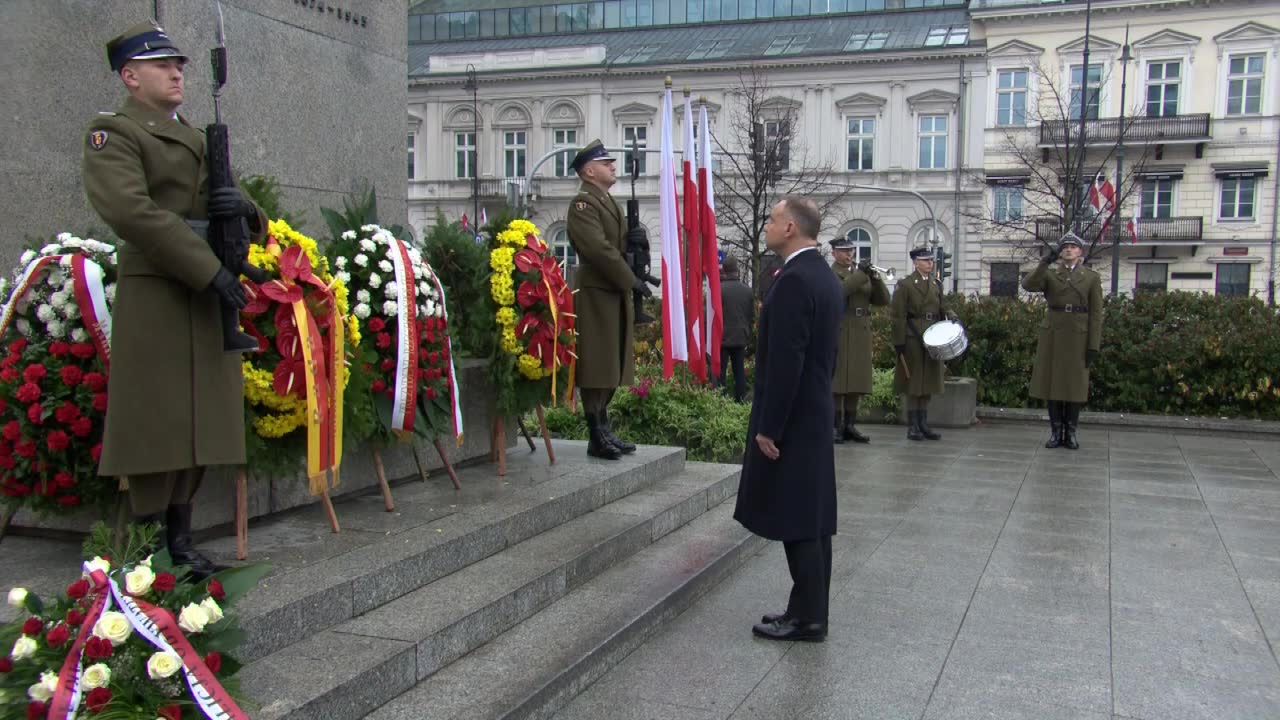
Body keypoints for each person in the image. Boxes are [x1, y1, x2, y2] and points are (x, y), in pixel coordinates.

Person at [82, 21, 267, 578]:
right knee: (155, 426)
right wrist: (208, 272)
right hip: (162, 292)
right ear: (130, 76)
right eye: (163, 65)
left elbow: (229, 198)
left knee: (198, 424)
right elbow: (134, 214)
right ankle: (140, 547)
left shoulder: (193, 133)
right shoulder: (113, 134)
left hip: (204, 295)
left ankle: (181, 542)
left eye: (180, 65)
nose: (177, 72)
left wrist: (245, 210)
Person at [734, 197, 843, 643]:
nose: (768, 226)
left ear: (792, 228)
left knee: (798, 519)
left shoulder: (797, 280)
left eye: (774, 220)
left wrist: (769, 427)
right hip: (813, 410)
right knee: (813, 519)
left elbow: (786, 361)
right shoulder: (823, 276)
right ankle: (809, 609)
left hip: (793, 418)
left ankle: (807, 619)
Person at [566, 139, 648, 460]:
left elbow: (617, 244)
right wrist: (632, 281)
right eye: (605, 163)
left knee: (612, 363)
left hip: (612, 293)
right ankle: (595, 432)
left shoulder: (607, 202)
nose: (613, 166)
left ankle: (603, 427)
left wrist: (636, 241)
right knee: (597, 365)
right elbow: (598, 250)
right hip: (597, 294)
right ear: (589, 171)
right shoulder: (583, 205)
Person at [1022, 232, 1103, 450]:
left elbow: (1096, 314)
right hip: (1054, 334)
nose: (1068, 249)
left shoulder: (1091, 278)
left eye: (1073, 247)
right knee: (1054, 385)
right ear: (1060, 253)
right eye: (1065, 247)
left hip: (1079, 335)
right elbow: (1028, 285)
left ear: (1080, 252)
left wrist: (1093, 344)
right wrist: (1043, 263)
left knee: (1075, 387)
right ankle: (1056, 432)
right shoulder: (1050, 274)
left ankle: (1071, 433)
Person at [829, 237, 890, 444]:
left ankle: (850, 425)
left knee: (856, 379)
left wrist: (875, 278)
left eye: (851, 251)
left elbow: (883, 300)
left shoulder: (860, 273)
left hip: (861, 328)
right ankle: (836, 426)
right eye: (844, 251)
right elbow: (841, 292)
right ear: (834, 253)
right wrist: (861, 274)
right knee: (839, 380)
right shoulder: (831, 273)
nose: (849, 254)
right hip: (842, 327)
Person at [892, 247, 946, 441]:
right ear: (915, 263)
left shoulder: (936, 284)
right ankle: (913, 425)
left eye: (931, 260)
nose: (930, 263)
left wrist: (953, 318)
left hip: (932, 336)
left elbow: (943, 307)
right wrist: (899, 342)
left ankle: (923, 423)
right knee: (914, 382)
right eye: (925, 260)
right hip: (913, 336)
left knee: (928, 381)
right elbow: (898, 315)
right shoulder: (905, 284)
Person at [718, 255, 755, 403]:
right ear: (737, 271)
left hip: (722, 338)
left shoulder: (719, 290)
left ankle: (720, 402)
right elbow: (751, 316)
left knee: (720, 373)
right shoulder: (747, 291)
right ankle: (740, 402)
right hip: (741, 337)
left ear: (724, 270)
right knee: (739, 372)